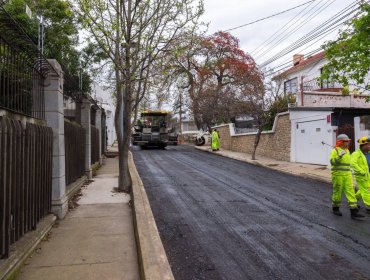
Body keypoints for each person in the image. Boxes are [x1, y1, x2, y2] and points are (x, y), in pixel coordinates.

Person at [330, 134, 364, 218]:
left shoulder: (347, 151)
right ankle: (336, 208)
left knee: (351, 192)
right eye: (346, 142)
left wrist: (352, 171)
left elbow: (348, 163)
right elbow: (332, 162)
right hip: (338, 175)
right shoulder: (335, 151)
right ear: (340, 142)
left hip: (348, 175)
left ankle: (354, 211)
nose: (348, 143)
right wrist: (339, 156)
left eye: (348, 141)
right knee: (337, 192)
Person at [351, 136, 370, 215]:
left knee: (362, 190)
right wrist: (361, 171)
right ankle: (368, 206)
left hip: (368, 175)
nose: (369, 146)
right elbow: (353, 163)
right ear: (363, 145)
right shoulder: (356, 154)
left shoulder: (368, 153)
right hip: (361, 176)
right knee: (367, 190)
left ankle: (353, 200)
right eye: (368, 145)